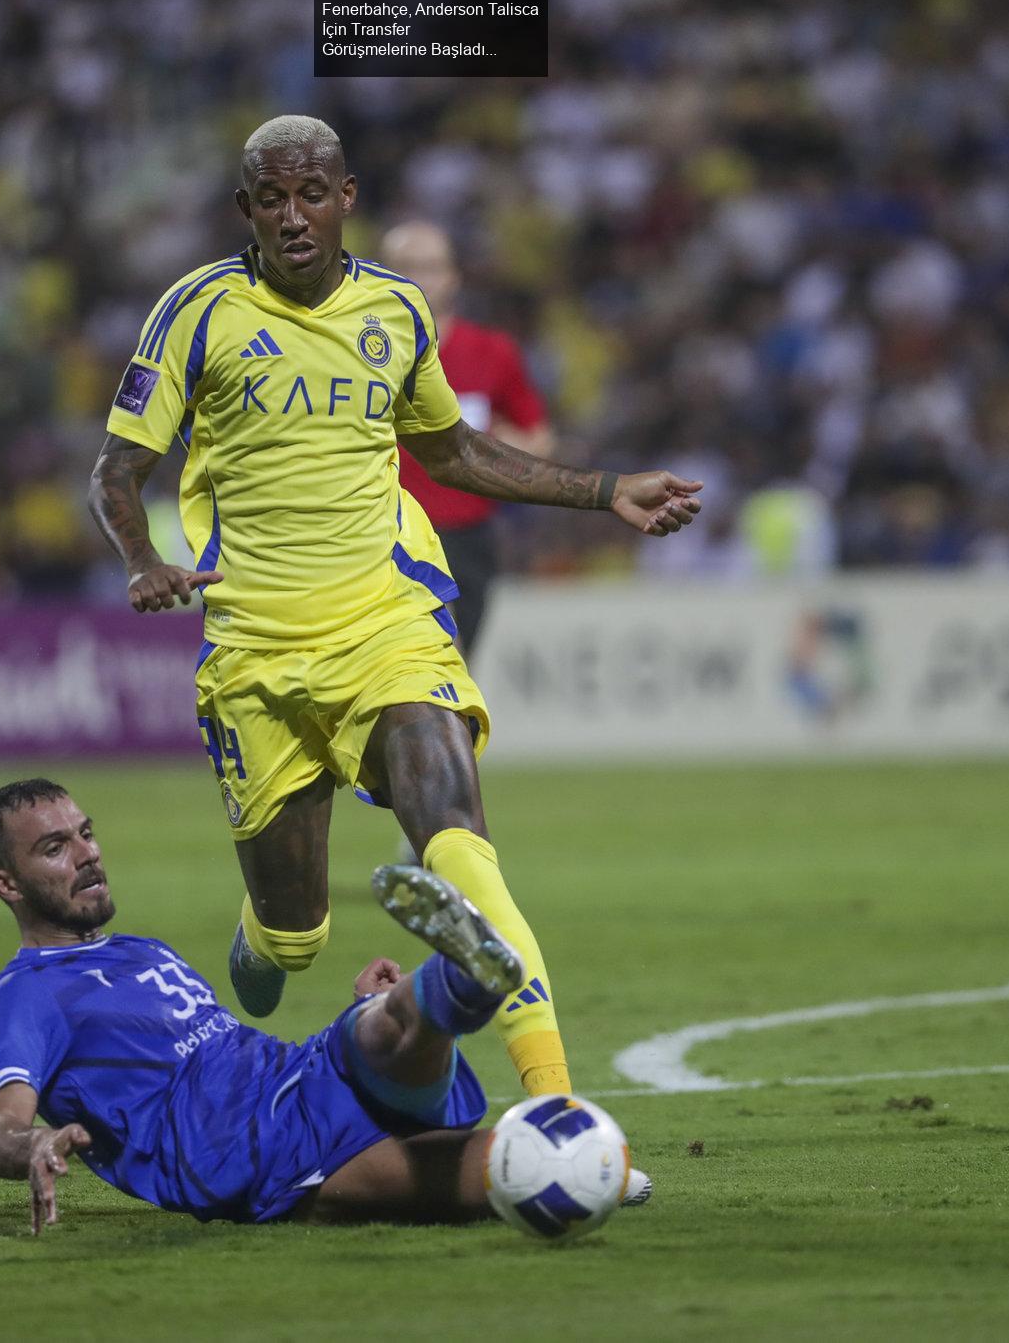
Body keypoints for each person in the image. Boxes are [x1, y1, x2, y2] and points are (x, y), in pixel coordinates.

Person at [89, 115, 701, 1106]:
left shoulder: (394, 310)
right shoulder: (196, 311)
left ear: (345, 199)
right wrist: (141, 557)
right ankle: (264, 932)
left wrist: (603, 491)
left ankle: (552, 1104)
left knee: (455, 835)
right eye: (272, 199)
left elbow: (452, 451)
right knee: (292, 941)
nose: (294, 216)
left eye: (312, 194)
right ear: (245, 209)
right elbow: (117, 470)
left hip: (386, 625)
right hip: (256, 653)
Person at [0, 777, 640, 1229]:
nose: (87, 854)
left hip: (296, 1075)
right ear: (6, 883)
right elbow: (1, 1127)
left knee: (379, 1023)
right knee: (510, 1170)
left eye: (86, 833)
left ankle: (457, 983)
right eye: (55, 848)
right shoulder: (26, 994)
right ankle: (461, 993)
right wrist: (31, 1143)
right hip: (252, 1159)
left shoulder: (141, 948)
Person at [380, 220, 554, 651]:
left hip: (467, 537)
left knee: (457, 667)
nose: (420, 279)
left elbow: (540, 440)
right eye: (406, 267)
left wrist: (487, 437)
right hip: (383, 534)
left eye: (431, 267)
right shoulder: (356, 351)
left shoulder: (492, 352)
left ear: (453, 276)